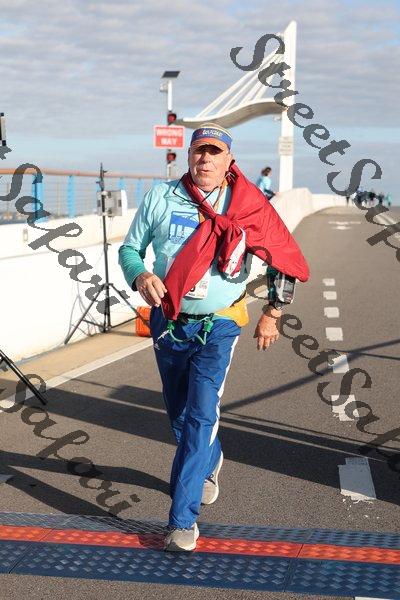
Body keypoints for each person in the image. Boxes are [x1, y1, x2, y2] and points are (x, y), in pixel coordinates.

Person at [119, 122, 309, 552]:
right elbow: (130, 249)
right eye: (198, 151)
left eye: (214, 152)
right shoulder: (161, 197)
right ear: (189, 156)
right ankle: (211, 458)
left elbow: (282, 256)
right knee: (179, 414)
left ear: (229, 161)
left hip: (220, 322)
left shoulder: (248, 204)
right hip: (169, 320)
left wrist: (273, 312)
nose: (204, 158)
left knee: (201, 415)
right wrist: (141, 275)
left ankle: (181, 521)